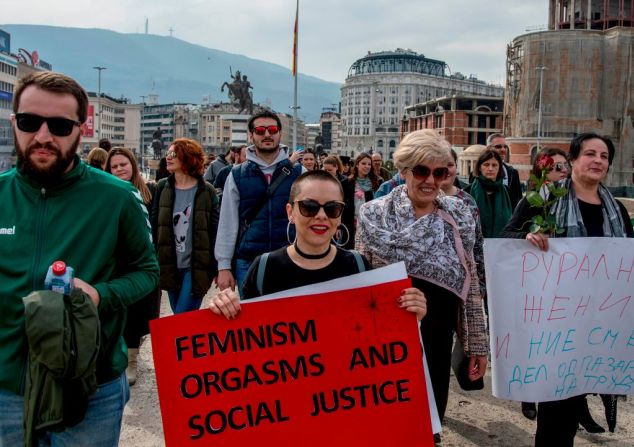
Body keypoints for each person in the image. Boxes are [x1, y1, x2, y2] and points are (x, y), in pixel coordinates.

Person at [0, 71, 158, 446]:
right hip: (5, 387)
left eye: (58, 125)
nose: (42, 136)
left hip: (90, 389)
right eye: (29, 122)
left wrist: (101, 294)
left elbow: (147, 273)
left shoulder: (117, 198)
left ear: (81, 128)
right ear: (14, 123)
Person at [355, 130, 488, 439]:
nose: (431, 180)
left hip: (437, 339)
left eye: (439, 172)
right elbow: (360, 278)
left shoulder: (460, 216)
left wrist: (476, 345)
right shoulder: (374, 213)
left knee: (428, 428)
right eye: (421, 171)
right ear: (403, 171)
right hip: (385, 340)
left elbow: (471, 282)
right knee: (386, 426)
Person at [501, 133, 632, 446]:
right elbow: (507, 237)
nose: (597, 160)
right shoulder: (545, 199)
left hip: (598, 327)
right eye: (590, 153)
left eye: (604, 156)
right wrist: (527, 239)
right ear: (573, 160)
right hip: (555, 328)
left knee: (573, 410)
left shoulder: (617, 210)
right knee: (555, 415)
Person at [209, 169, 426, 315]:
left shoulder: (358, 266)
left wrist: (410, 313)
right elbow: (245, 339)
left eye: (332, 208)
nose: (321, 216)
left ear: (341, 214)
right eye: (309, 206)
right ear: (290, 212)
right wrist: (223, 309)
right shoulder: (264, 268)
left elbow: (379, 330)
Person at [215, 110, 303, 294]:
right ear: (251, 135)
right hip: (249, 260)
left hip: (292, 258)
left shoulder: (298, 172)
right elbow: (227, 222)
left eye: (272, 129)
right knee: (254, 319)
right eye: (261, 131)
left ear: (280, 132)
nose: (267, 135)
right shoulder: (237, 174)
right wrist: (223, 266)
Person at [105, 147, 160, 386]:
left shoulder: (151, 191)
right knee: (118, 311)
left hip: (142, 262)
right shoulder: (105, 194)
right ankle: (119, 356)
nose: (119, 169)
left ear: (133, 166)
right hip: (115, 264)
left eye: (123, 164)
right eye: (114, 166)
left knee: (138, 314)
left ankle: (132, 361)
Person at [151, 138, 219, 314]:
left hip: (196, 267)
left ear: (188, 157)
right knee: (180, 319)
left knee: (182, 317)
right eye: (168, 154)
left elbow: (215, 230)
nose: (168, 157)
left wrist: (218, 266)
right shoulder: (162, 187)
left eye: (174, 154)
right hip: (169, 265)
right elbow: (154, 224)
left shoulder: (207, 190)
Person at [464, 149, 514, 238]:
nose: (490, 168)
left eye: (494, 165)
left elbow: (514, 223)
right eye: (486, 165)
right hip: (475, 246)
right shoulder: (467, 192)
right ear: (479, 167)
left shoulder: (508, 192)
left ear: (499, 168)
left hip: (501, 246)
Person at [342, 152, 382, 248]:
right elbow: (342, 205)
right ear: (357, 165)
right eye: (363, 163)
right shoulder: (347, 182)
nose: (367, 166)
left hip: (370, 225)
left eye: (369, 164)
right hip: (351, 225)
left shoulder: (377, 182)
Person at [486, 133, 522, 206]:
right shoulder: (478, 173)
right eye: (498, 147)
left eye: (505, 147)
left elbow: (518, 200)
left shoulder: (513, 173)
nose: (503, 150)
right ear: (489, 148)